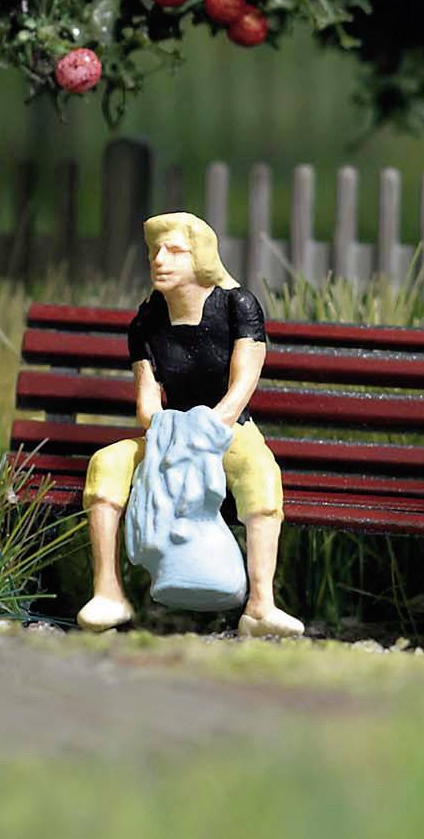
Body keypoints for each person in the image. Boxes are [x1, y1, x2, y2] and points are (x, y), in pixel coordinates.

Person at [77, 211, 303, 638]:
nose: (160, 259)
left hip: (228, 429)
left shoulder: (238, 305)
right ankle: (108, 592)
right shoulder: (146, 320)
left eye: (174, 250)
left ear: (200, 255)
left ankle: (260, 604)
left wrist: (205, 429)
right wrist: (168, 432)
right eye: (154, 252)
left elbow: (242, 387)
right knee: (107, 462)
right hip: (169, 431)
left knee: (260, 473)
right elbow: (146, 400)